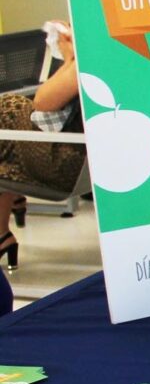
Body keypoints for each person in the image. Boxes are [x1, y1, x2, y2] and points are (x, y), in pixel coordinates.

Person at [0, 22, 86, 272]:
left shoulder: (94, 56)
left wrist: (70, 57)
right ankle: (9, 215)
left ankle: (4, 226)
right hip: (86, 157)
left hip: (66, 161)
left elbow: (43, 101)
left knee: (6, 113)